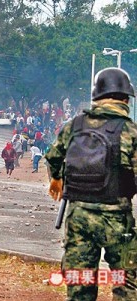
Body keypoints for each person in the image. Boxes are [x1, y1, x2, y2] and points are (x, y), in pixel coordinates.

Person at [46, 67, 137, 301]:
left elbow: (54, 157)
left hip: (78, 219)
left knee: (79, 285)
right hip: (117, 221)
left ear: (96, 97)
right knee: (125, 283)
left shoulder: (74, 126)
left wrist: (56, 178)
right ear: (125, 99)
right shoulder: (131, 132)